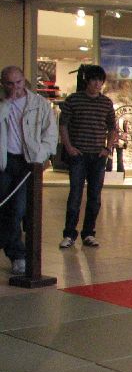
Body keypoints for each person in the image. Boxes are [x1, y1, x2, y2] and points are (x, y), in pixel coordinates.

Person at [0, 66, 58, 275]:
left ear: (24, 81)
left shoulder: (39, 104)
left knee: (18, 209)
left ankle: (18, 255)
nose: (15, 87)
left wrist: (40, 156)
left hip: (28, 162)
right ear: (3, 84)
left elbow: (50, 134)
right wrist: (6, 103)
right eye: (9, 83)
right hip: (5, 162)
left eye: (18, 82)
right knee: (4, 208)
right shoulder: (2, 103)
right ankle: (14, 249)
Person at [58, 64, 118, 249]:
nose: (97, 84)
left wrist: (107, 148)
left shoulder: (106, 103)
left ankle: (89, 233)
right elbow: (63, 125)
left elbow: (112, 128)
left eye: (100, 81)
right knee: (75, 196)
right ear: (87, 81)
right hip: (79, 155)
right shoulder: (73, 100)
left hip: (98, 156)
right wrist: (69, 147)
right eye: (94, 80)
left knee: (95, 197)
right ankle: (69, 234)